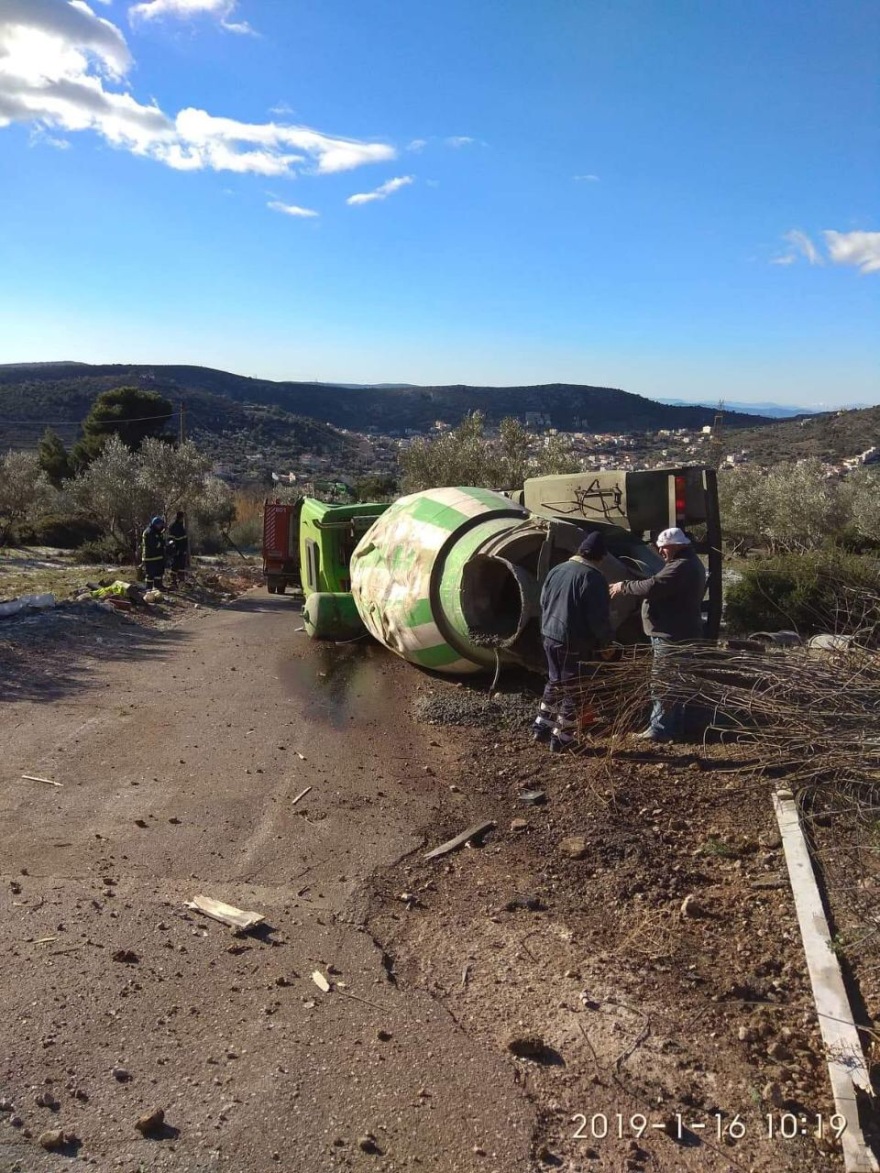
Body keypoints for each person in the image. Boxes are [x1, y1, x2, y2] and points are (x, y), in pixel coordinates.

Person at [609, 526, 706, 742]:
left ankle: (659, 730)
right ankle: (675, 728)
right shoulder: (691, 563)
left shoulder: (680, 566)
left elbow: (653, 586)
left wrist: (623, 586)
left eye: (663, 549)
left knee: (663, 683)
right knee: (677, 683)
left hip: (671, 636)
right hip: (681, 632)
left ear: (676, 546)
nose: (661, 553)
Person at [532, 532, 613, 753]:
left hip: (549, 635)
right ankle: (562, 739)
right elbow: (598, 618)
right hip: (573, 642)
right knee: (574, 690)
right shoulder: (593, 578)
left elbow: (543, 601)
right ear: (599, 557)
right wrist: (606, 644)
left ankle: (541, 727)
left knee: (554, 681)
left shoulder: (557, 570)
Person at [141, 516, 167, 590]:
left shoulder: (157, 532)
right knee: (150, 574)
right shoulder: (149, 532)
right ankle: (148, 588)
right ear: (155, 524)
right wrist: (161, 544)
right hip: (150, 557)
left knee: (158, 573)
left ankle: (158, 586)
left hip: (158, 557)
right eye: (160, 525)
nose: (161, 526)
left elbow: (161, 542)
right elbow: (155, 544)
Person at [167, 511, 189, 586]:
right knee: (175, 566)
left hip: (182, 550)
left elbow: (183, 539)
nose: (183, 519)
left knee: (182, 566)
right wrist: (175, 550)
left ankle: (181, 582)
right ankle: (173, 582)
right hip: (176, 551)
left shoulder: (181, 526)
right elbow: (171, 540)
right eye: (182, 517)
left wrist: (184, 550)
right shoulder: (173, 526)